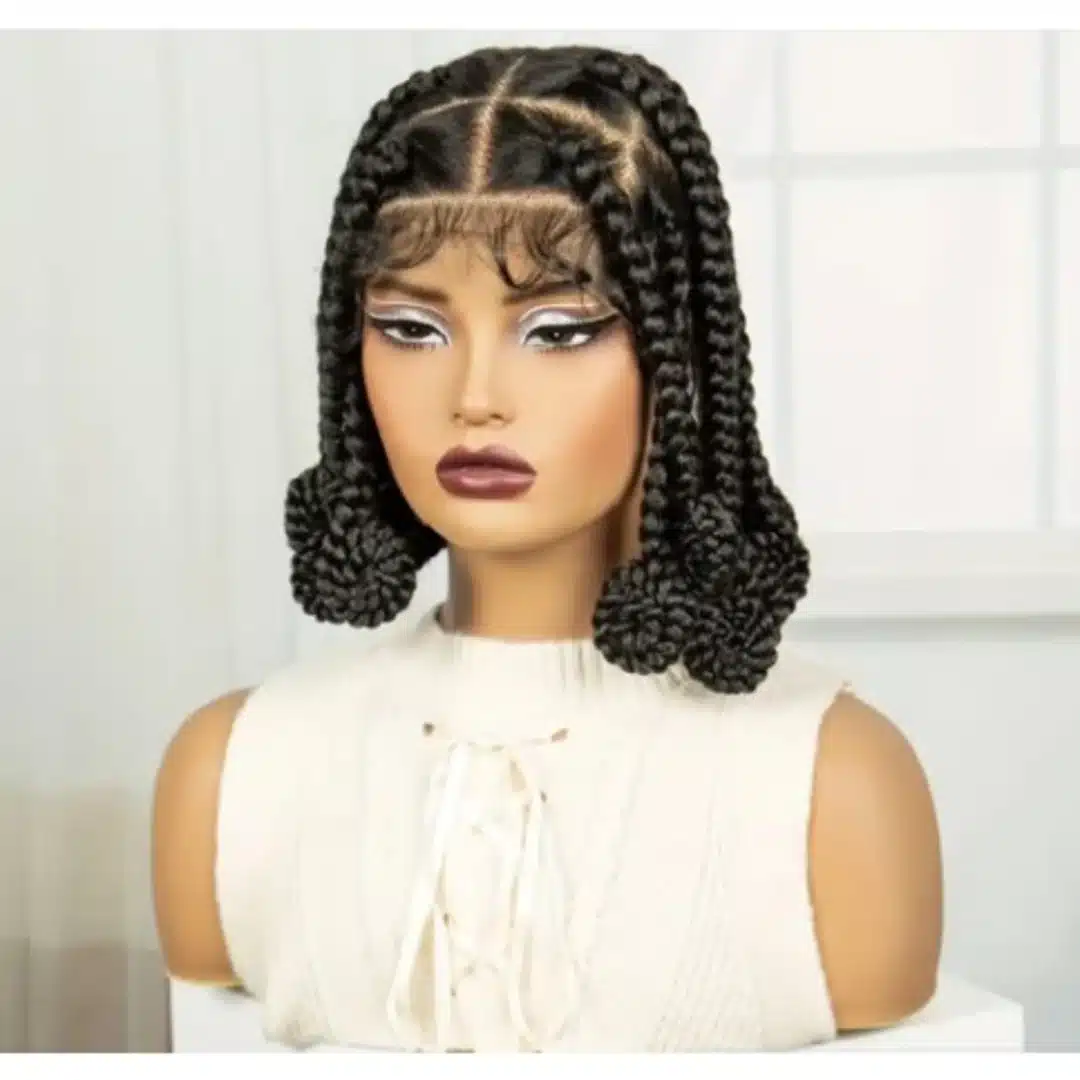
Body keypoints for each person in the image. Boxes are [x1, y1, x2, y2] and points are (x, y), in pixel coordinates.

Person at [151, 43, 943, 1053]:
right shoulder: (231, 774)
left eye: (558, 331)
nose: (475, 396)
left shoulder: (833, 787)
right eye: (411, 328)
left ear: (675, 356)